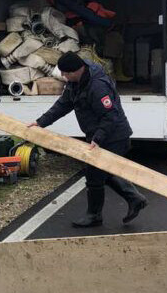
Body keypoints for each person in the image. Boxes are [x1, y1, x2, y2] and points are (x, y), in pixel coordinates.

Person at [27, 51, 148, 227]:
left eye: (65, 73)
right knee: (101, 173)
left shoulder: (97, 86)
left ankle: (95, 215)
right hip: (98, 134)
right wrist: (40, 122)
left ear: (75, 70)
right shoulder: (76, 82)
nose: (62, 76)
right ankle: (135, 199)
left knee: (94, 174)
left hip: (113, 136)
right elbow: (63, 104)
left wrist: (98, 138)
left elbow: (110, 115)